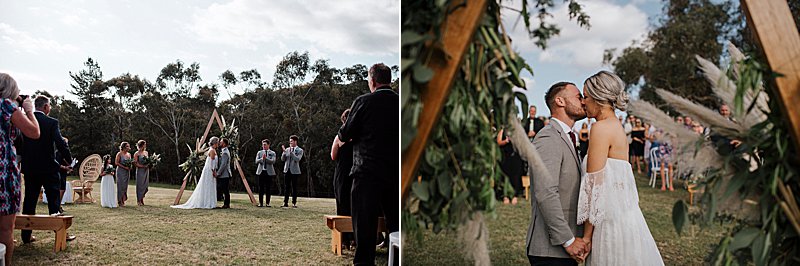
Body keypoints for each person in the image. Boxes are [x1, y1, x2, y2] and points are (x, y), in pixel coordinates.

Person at [578, 70, 663, 264]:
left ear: (599, 98)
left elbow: (594, 186)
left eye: (586, 96)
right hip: (627, 219)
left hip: (609, 224)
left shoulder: (600, 128)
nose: (583, 102)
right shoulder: (616, 127)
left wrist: (587, 237)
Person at [338, 63, 398, 265]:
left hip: (367, 172)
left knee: (364, 226)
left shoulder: (364, 102)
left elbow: (345, 133)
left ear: (372, 81)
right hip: (395, 173)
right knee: (396, 223)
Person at [526, 81, 588, 265]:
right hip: (550, 250)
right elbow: (545, 192)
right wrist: (568, 241)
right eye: (579, 97)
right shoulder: (548, 137)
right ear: (560, 101)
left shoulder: (569, 136)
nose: (584, 102)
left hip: (562, 250)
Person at [21, 95, 75, 243]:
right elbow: (61, 143)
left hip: (30, 168)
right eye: (49, 106)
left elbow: (19, 143)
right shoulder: (51, 122)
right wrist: (69, 160)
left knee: (29, 201)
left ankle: (26, 236)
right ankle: (61, 235)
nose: (50, 108)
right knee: (54, 201)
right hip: (48, 168)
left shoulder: (24, 120)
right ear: (45, 107)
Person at [0, 73, 40, 263]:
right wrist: (29, 111)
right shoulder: (6, 105)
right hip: (4, 171)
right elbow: (33, 132)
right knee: (5, 228)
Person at [172, 137, 220, 209]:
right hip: (210, 170)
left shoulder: (212, 150)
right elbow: (212, 163)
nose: (218, 144)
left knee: (210, 185)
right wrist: (213, 171)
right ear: (215, 143)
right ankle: (207, 203)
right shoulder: (212, 150)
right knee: (208, 185)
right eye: (218, 142)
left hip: (210, 169)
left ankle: (209, 202)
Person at [331, 108, 355, 249]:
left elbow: (333, 156)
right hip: (357, 173)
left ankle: (345, 241)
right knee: (356, 207)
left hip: (342, 174)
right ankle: (355, 239)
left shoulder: (340, 136)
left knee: (342, 206)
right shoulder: (362, 135)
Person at [497, 127, 523, 205]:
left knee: (515, 176)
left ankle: (514, 196)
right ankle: (505, 196)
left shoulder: (517, 130)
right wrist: (506, 141)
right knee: (505, 177)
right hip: (505, 157)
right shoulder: (502, 130)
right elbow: (498, 142)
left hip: (516, 156)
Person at [281, 135, 303, 208]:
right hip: (287, 170)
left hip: (295, 171)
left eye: (291, 141)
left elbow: (297, 159)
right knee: (287, 187)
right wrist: (284, 152)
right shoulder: (287, 149)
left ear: (295, 141)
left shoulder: (300, 150)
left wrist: (291, 153)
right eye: (289, 141)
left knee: (294, 187)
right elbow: (283, 159)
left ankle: (294, 203)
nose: (290, 143)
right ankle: (285, 202)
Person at [255, 139, 276, 207]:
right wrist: (262, 159)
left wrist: (266, 159)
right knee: (261, 188)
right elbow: (256, 161)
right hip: (261, 172)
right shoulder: (259, 152)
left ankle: (267, 203)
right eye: (263, 144)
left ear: (268, 145)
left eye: (265, 144)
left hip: (269, 172)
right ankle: (260, 203)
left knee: (268, 188)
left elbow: (273, 161)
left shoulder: (272, 153)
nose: (263, 146)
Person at [55, 136, 72, 212]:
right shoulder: (58, 152)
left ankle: (59, 205)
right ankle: (57, 206)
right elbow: (57, 164)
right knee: (60, 189)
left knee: (63, 189)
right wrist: (65, 168)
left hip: (63, 173)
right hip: (59, 172)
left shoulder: (65, 153)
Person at [215, 138, 232, 209]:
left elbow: (223, 164)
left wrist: (218, 173)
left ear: (224, 144)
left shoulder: (225, 152)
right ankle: (225, 203)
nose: (219, 143)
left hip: (225, 174)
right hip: (223, 174)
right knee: (222, 188)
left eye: (221, 142)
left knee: (225, 189)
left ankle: (226, 204)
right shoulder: (223, 151)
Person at [115, 142, 132, 207]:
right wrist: (124, 167)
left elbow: (130, 162)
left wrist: (130, 167)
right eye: (127, 146)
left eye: (128, 146)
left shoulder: (129, 154)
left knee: (125, 186)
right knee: (120, 186)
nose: (128, 147)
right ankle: (120, 201)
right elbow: (116, 163)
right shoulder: (119, 154)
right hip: (120, 171)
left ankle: (123, 200)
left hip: (127, 172)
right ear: (124, 147)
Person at [133, 140, 150, 206]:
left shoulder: (146, 153)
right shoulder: (136, 153)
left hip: (146, 171)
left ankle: (142, 199)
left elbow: (148, 161)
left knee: (145, 185)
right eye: (144, 144)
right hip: (140, 171)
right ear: (141, 145)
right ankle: (138, 200)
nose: (145, 146)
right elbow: (135, 163)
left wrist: (149, 165)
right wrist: (143, 166)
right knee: (140, 185)